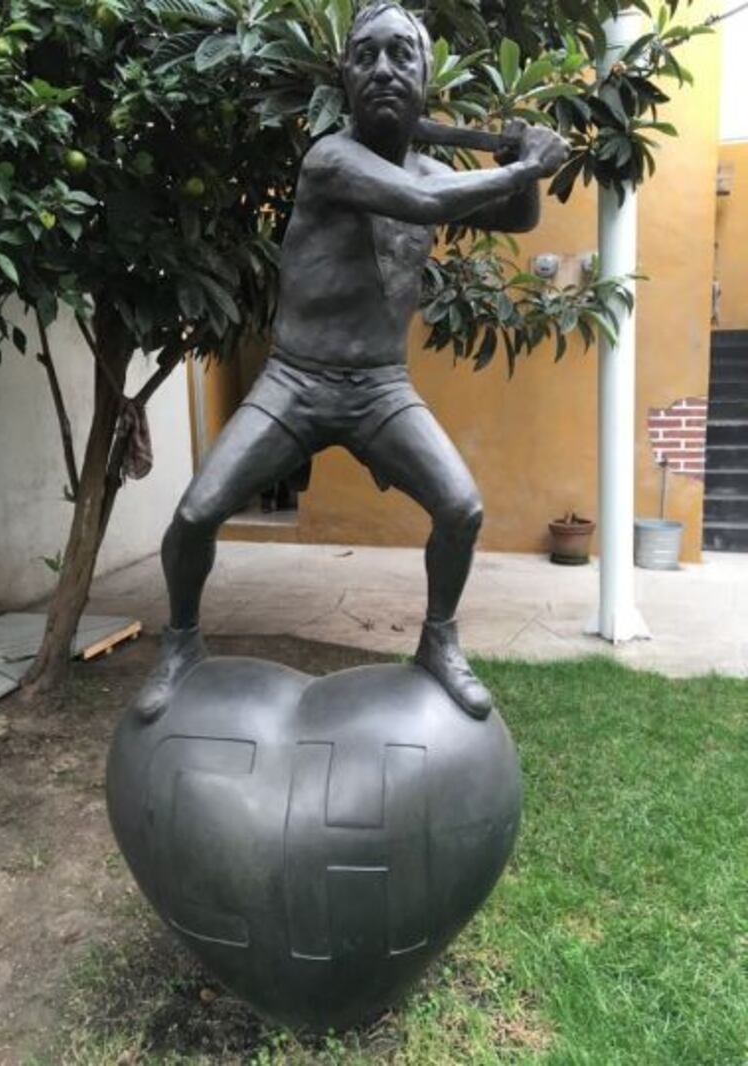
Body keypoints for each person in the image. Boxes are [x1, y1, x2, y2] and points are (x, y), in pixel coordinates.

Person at [135, 1, 569, 722]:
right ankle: (179, 643)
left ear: (425, 76)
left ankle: (439, 641)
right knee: (196, 513)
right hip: (296, 379)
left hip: (380, 388)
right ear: (345, 78)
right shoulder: (331, 159)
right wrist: (526, 164)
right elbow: (424, 201)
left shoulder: (433, 166)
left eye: (402, 55)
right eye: (365, 56)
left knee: (460, 509)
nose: (383, 70)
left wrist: (521, 173)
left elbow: (517, 217)